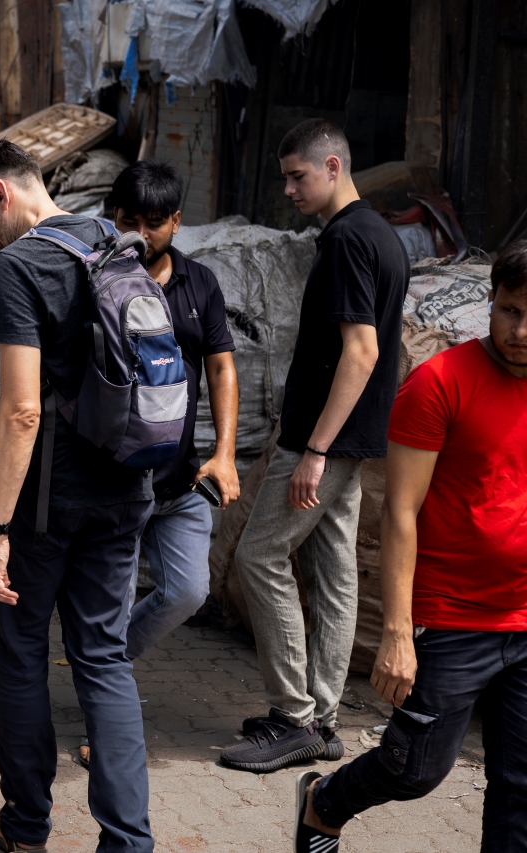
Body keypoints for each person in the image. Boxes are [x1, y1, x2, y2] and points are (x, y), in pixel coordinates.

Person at [0, 137, 155, 852]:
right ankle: (129, 841)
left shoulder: (18, 267)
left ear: (1, 194)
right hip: (128, 489)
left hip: (46, 506)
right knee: (104, 658)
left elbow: (22, 409)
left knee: (20, 654)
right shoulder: (111, 240)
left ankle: (27, 825)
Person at [293, 242, 527, 851]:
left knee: (519, 787)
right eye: (509, 311)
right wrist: (397, 631)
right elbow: (400, 513)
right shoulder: (441, 381)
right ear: (491, 303)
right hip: (454, 616)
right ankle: (324, 801)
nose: (520, 330)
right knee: (415, 767)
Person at [221, 119, 409, 773]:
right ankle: (322, 719)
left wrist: (316, 449)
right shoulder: (378, 235)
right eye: (285, 178)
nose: (290, 190)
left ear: (334, 167)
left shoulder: (350, 242)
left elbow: (362, 351)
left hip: (325, 440)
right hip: (352, 439)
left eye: (298, 176)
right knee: (333, 571)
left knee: (260, 555)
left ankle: (294, 715)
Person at [76, 161, 240, 769]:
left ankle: (104, 659)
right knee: (110, 603)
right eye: (127, 222)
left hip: (180, 481)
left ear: (176, 221)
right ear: (110, 216)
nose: (140, 236)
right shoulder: (93, 279)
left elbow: (221, 367)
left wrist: (224, 454)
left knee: (187, 591)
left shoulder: (199, 285)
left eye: (153, 224)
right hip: (111, 485)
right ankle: (107, 717)